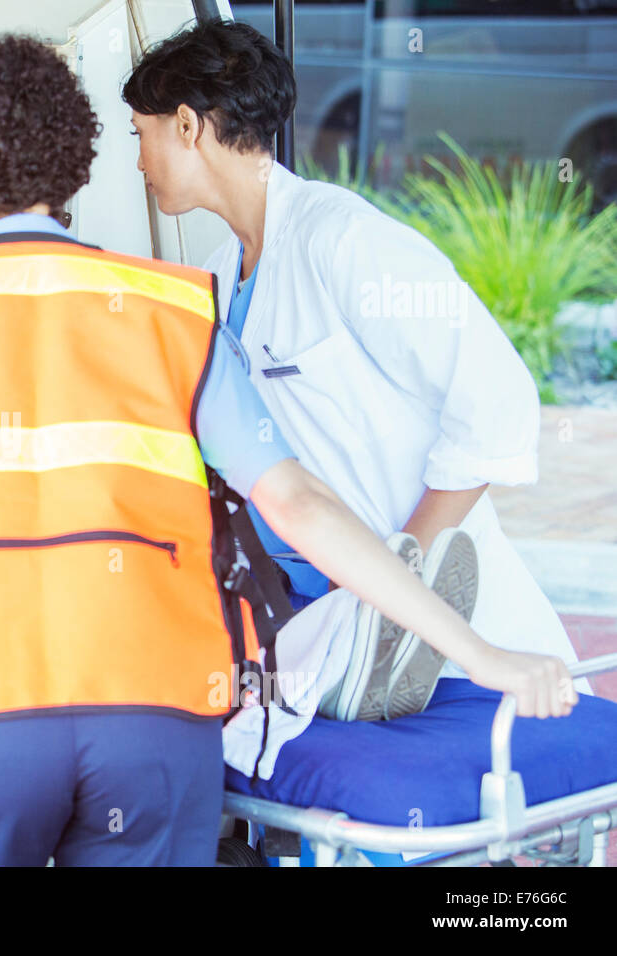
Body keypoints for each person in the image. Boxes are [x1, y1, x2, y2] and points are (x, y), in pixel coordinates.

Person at [0, 34, 574, 867]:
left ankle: (359, 646)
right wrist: (481, 654)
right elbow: (301, 502)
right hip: (154, 719)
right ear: (68, 166)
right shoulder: (177, 310)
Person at [121, 18, 584, 776]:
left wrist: (408, 574)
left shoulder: (344, 240)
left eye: (141, 135)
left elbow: (498, 398)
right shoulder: (218, 274)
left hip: (406, 602)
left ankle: (389, 634)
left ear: (187, 126)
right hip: (307, 604)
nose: (136, 160)